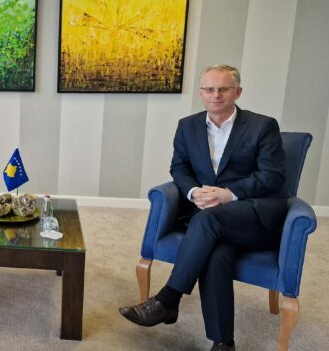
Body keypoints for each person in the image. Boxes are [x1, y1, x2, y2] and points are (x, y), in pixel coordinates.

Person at [119, 65, 288, 351]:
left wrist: (228, 194)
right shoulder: (188, 125)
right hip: (210, 219)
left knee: (207, 221)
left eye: (223, 89)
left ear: (238, 92)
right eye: (209, 89)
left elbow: (273, 175)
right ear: (200, 93)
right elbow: (179, 167)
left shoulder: (262, 126)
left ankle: (168, 299)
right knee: (216, 256)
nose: (216, 95)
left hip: (254, 216)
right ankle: (223, 343)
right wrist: (194, 192)